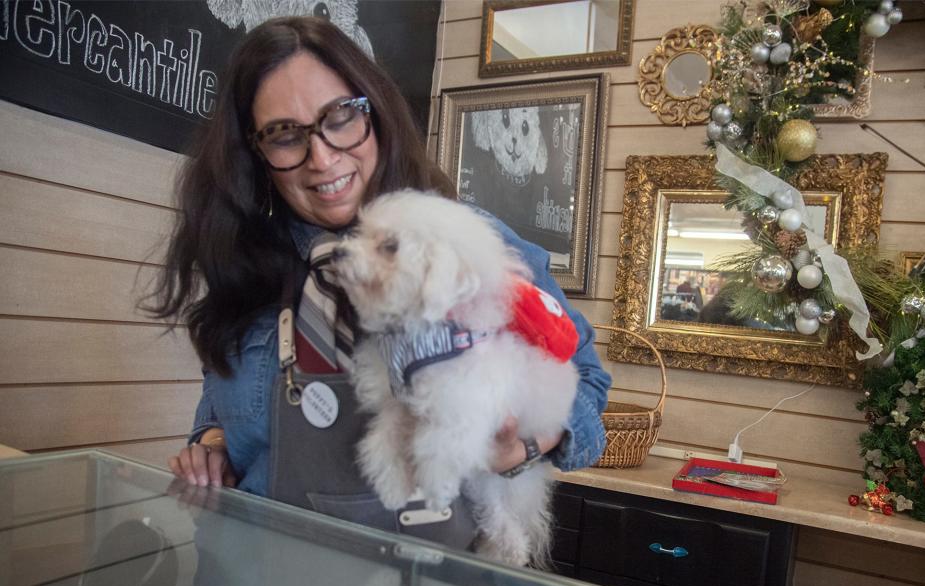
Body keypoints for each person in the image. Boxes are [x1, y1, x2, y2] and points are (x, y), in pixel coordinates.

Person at [150, 16, 611, 550]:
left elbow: (587, 387)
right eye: (284, 134)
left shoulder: (471, 248)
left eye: (340, 116)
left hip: (432, 583)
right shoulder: (244, 263)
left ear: (376, 112)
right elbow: (223, 386)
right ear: (254, 153)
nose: (322, 157)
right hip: (261, 575)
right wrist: (211, 440)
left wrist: (530, 442)